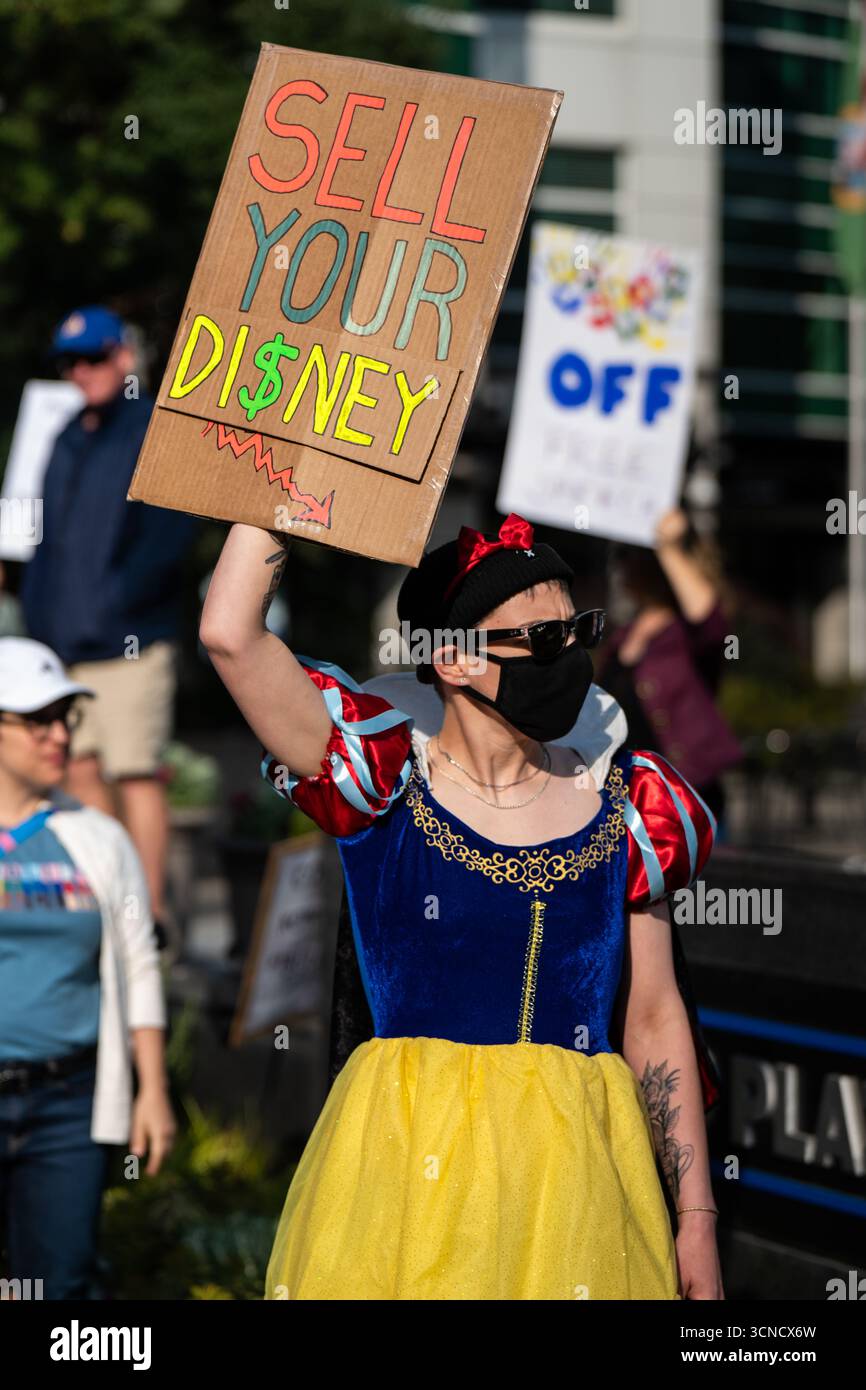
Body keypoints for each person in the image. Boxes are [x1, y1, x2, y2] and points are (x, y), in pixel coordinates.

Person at [201, 513, 724, 1301]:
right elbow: (231, 635)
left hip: (580, 1193)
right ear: (454, 659)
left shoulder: (629, 803)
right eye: (539, 642)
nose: (571, 659)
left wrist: (696, 1218)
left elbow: (652, 1017)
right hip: (406, 1180)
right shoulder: (379, 779)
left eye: (576, 631)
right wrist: (283, 475)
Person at [0, 638, 175, 1299]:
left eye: (65, 718)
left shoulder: (98, 837)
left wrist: (152, 1090)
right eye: (37, 719)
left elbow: (138, 965)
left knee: (60, 1286)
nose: (58, 736)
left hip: (67, 1106)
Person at [19, 306, 197, 925]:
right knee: (82, 771)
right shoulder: (67, 435)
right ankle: (106, 909)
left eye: (94, 357)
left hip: (132, 640)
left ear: (123, 357)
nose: (82, 371)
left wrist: (126, 597)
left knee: (136, 773)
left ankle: (147, 919)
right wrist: (37, 614)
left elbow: (174, 529)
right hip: (68, 642)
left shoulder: (151, 425)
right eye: (72, 361)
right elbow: (43, 537)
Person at [597, 507, 742, 828]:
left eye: (632, 554)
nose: (622, 565)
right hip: (625, 799)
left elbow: (709, 618)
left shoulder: (687, 633)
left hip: (686, 798)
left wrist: (668, 546)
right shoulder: (623, 635)